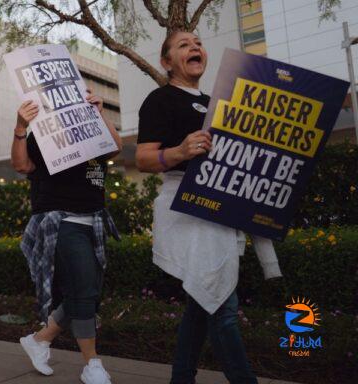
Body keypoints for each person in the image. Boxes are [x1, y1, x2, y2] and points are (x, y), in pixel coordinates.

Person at [134, 31, 281, 384]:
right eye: (184, 45)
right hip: (187, 210)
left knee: (203, 304)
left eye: (198, 43)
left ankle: (181, 379)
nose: (195, 47)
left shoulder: (220, 102)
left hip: (221, 209)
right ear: (167, 62)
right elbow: (141, 158)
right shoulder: (160, 100)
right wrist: (179, 153)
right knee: (224, 309)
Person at [12, 88, 122, 384]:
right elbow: (22, 165)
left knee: (86, 293)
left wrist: (101, 113)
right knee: (84, 293)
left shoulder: (93, 125)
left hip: (94, 220)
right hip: (63, 220)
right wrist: (21, 128)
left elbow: (115, 147)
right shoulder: (45, 133)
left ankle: (40, 339)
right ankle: (92, 364)